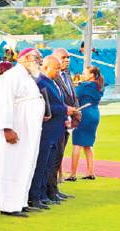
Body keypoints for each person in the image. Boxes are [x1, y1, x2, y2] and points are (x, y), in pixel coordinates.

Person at [0, 48, 45, 217]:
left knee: (25, 164)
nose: (39, 61)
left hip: (28, 131)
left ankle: (20, 201)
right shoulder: (10, 76)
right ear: (24, 58)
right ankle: (8, 205)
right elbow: (2, 103)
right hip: (16, 129)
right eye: (36, 58)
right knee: (12, 166)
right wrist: (6, 128)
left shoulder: (27, 76)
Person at [30, 55, 75, 209]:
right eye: (56, 68)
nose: (58, 71)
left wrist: (65, 112)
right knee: (42, 164)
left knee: (49, 164)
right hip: (47, 130)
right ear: (46, 67)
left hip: (56, 129)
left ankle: (43, 194)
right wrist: (65, 110)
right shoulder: (40, 82)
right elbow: (45, 107)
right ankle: (35, 196)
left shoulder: (51, 82)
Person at [48, 48, 80, 201]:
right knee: (52, 158)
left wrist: (76, 112)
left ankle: (54, 189)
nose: (67, 59)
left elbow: (73, 96)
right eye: (63, 57)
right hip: (57, 121)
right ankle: (49, 190)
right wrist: (67, 111)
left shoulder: (66, 75)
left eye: (68, 57)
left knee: (59, 157)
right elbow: (55, 100)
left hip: (68, 121)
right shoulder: (52, 77)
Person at [67, 66, 103, 180]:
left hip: (84, 114)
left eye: (85, 73)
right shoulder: (99, 86)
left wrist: (75, 85)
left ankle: (73, 174)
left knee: (77, 144)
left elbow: (73, 95)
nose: (82, 75)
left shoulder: (84, 86)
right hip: (95, 114)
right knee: (88, 145)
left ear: (92, 75)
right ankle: (91, 172)